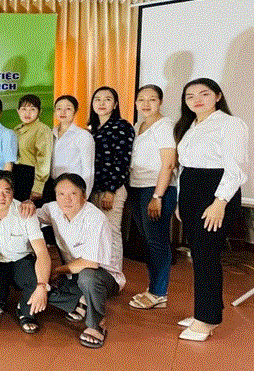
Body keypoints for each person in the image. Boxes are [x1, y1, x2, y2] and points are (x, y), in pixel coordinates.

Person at [174, 78, 248, 341]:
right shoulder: (190, 126)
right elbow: (184, 168)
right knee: (199, 254)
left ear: (217, 96)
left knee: (207, 255)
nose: (197, 100)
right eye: (190, 96)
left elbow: (235, 169)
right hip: (191, 192)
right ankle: (204, 311)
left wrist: (220, 202)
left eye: (204, 94)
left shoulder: (230, 124)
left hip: (216, 193)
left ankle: (206, 320)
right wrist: (181, 201)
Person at [37, 173, 125, 348]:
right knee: (36, 283)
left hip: (104, 276)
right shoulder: (52, 209)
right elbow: (30, 217)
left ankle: (96, 325)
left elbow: (90, 263)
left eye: (73, 194)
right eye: (61, 194)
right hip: (72, 274)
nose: (66, 199)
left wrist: (56, 270)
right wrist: (26, 206)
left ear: (84, 196)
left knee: (88, 277)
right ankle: (79, 301)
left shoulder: (95, 218)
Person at [0, 171, 51, 333]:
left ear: (13, 193)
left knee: (36, 282)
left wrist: (42, 285)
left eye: (7, 191)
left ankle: (25, 312)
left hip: (21, 259)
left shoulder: (26, 212)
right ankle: (1, 294)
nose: (2, 197)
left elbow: (42, 252)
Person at [127, 85, 177, 310]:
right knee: (148, 241)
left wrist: (157, 196)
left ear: (160, 102)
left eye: (152, 99)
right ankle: (153, 288)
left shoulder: (165, 125)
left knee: (157, 241)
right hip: (137, 187)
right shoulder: (138, 126)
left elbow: (168, 163)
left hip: (155, 189)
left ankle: (159, 292)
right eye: (141, 99)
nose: (146, 104)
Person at [87, 86, 134, 280]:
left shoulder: (122, 126)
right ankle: (98, 276)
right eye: (97, 99)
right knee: (95, 234)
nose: (101, 103)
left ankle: (114, 277)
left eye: (107, 99)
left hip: (110, 189)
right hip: (92, 189)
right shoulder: (91, 129)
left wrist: (110, 190)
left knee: (111, 233)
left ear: (115, 105)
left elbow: (122, 160)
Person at [51, 95, 94, 200]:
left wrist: (84, 196)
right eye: (59, 108)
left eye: (68, 109)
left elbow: (88, 170)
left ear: (75, 111)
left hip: (73, 188)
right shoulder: (50, 134)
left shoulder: (83, 135)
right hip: (52, 187)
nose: (63, 112)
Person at [13, 94, 52, 203]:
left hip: (31, 177)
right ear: (18, 111)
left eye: (32, 109)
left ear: (39, 111)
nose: (27, 113)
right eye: (24, 109)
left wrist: (38, 186)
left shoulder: (42, 129)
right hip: (16, 176)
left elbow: (43, 159)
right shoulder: (16, 130)